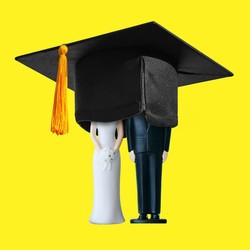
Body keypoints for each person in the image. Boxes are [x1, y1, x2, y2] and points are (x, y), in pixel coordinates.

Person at [126, 112, 171, 223]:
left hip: (156, 147)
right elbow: (129, 128)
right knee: (141, 181)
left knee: (155, 180)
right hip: (139, 148)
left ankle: (155, 212)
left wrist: (166, 148)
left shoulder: (160, 109)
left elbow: (167, 126)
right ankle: (143, 212)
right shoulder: (133, 110)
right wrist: (130, 149)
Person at [89, 120, 125, 224]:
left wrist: (114, 151)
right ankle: (98, 214)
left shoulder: (118, 117)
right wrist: (101, 152)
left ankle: (114, 215)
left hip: (114, 154)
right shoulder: (94, 116)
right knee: (100, 185)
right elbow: (92, 135)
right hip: (99, 154)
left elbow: (120, 134)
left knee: (113, 185)